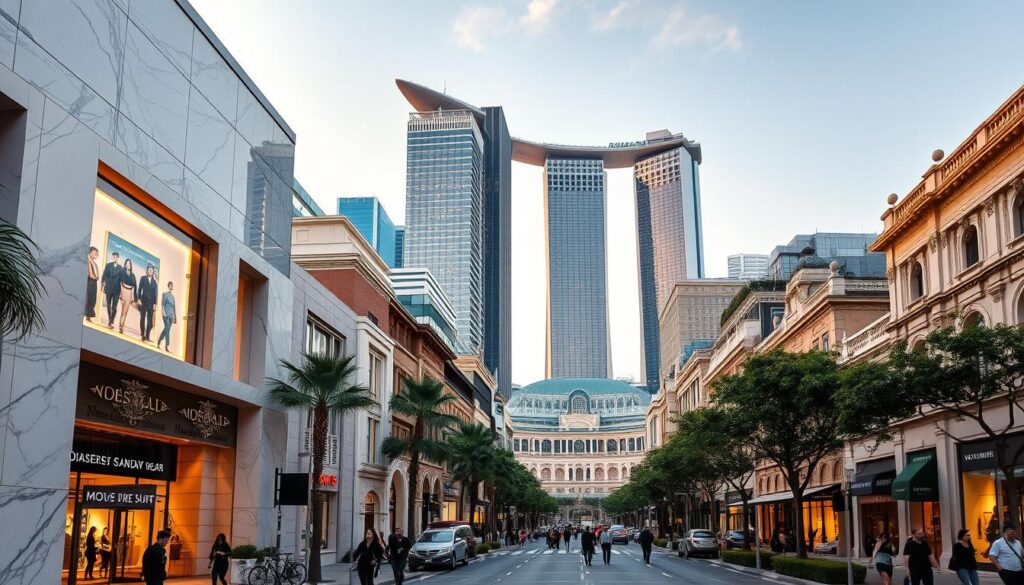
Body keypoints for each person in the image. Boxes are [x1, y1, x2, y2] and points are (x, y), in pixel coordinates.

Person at [137, 264, 158, 342]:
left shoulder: (155, 282)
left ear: (153, 272)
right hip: (143, 301)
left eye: (152, 271)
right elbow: (139, 289)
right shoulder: (143, 278)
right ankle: (143, 334)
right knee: (142, 318)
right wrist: (138, 298)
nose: (150, 272)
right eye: (149, 270)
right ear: (147, 271)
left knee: (150, 321)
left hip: (151, 303)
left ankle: (147, 336)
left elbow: (155, 294)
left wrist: (155, 304)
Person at [101, 252, 122, 328]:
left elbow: (121, 280)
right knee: (109, 305)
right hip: (109, 288)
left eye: (116, 257)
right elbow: (104, 275)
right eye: (113, 257)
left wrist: (121, 292)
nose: (114, 258)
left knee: (114, 307)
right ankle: (110, 322)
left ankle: (111, 319)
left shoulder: (120, 268)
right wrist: (102, 285)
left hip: (117, 290)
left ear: (118, 258)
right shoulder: (108, 265)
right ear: (112, 257)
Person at [117, 259, 137, 334]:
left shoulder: (133, 275)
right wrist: (119, 293)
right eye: (127, 263)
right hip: (123, 291)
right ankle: (121, 326)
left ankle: (122, 326)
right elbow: (119, 282)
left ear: (131, 265)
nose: (128, 264)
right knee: (122, 312)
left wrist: (135, 298)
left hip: (129, 294)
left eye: (129, 263)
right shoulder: (122, 272)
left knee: (125, 312)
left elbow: (135, 287)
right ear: (125, 264)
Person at [157, 282, 176, 352]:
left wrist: (174, 317)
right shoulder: (165, 294)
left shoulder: (173, 297)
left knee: (167, 330)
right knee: (167, 328)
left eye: (172, 285)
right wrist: (163, 312)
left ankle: (165, 345)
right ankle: (162, 342)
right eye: (170, 285)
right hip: (165, 314)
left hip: (171, 315)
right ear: (168, 286)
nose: (171, 286)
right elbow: (162, 304)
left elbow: (174, 307)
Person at [86, 247, 100, 322]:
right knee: (87, 297)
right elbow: (90, 274)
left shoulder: (95, 264)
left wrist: (96, 277)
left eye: (97, 253)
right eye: (95, 253)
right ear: (90, 253)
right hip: (88, 281)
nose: (96, 255)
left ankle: (88, 316)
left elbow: (97, 275)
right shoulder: (87, 261)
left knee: (92, 298)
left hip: (94, 283)